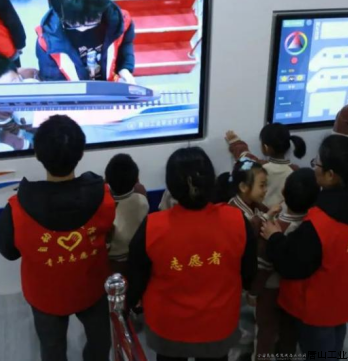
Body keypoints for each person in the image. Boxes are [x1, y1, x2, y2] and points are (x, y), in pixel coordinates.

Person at [0, 115, 114, 361]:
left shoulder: (18, 208)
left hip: (45, 296)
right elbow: (109, 234)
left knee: (52, 349)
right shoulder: (103, 196)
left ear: (37, 154)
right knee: (100, 343)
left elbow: (8, 251)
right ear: (81, 153)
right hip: (91, 288)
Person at [127, 147, 257, 361]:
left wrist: (130, 303)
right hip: (218, 324)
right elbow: (249, 274)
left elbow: (136, 279)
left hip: (168, 327)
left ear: (171, 186)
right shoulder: (236, 220)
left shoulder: (153, 226)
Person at [262, 135, 348, 359]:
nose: (314, 168)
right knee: (337, 330)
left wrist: (274, 237)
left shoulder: (319, 225)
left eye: (316, 164)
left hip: (320, 305)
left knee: (319, 346)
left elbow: (291, 265)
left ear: (330, 175)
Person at [216, 159, 279, 360]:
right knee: (238, 322)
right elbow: (246, 232)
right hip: (237, 277)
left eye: (266, 185)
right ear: (243, 187)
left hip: (249, 276)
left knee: (249, 321)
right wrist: (267, 217)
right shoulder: (232, 211)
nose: (265, 190)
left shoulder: (256, 206)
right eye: (262, 185)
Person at [257, 168, 321, 358]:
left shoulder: (274, 227)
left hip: (270, 290)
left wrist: (253, 291)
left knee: (266, 330)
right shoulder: (314, 227)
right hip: (297, 293)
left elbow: (263, 265)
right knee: (289, 331)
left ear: (283, 192)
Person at [36, 0, 136, 83]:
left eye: (91, 21)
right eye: (73, 24)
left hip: (110, 85)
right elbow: (53, 81)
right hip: (75, 91)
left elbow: (125, 45)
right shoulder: (47, 42)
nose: (82, 28)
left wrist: (125, 68)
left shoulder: (119, 22)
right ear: (60, 15)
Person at [226, 123, 307, 207]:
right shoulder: (295, 171)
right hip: (283, 211)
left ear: (266, 147)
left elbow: (245, 156)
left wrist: (235, 142)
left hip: (262, 211)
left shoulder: (259, 168)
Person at [105, 153, 149, 277]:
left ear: (107, 179)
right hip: (137, 258)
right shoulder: (142, 199)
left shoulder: (105, 207)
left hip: (113, 260)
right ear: (136, 179)